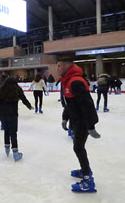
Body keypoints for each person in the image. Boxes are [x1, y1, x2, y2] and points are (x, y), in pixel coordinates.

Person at [57, 58, 101, 193]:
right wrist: (65, 118)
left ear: (66, 66)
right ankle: (84, 171)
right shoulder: (67, 81)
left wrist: (91, 125)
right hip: (76, 121)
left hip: (82, 122)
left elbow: (88, 105)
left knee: (78, 148)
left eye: (59, 66)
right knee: (78, 147)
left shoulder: (75, 82)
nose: (57, 68)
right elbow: (70, 103)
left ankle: (88, 180)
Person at [0, 77, 33, 161]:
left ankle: (7, 149)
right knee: (13, 133)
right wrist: (29, 106)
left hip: (3, 114)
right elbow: (23, 99)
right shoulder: (17, 90)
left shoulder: (2, 90)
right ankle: (15, 153)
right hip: (13, 114)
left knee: (6, 131)